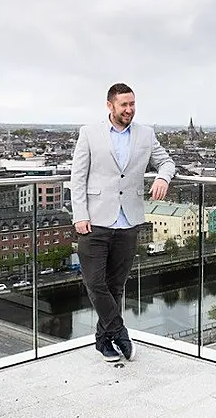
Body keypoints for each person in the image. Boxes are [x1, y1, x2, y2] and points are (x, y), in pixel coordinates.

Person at [70, 83, 176, 362]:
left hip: (128, 221)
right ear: (110, 106)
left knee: (116, 286)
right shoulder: (89, 133)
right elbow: (77, 177)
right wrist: (80, 215)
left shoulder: (146, 134)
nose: (129, 110)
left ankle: (102, 341)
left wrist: (163, 177)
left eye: (132, 104)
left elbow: (167, 163)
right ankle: (119, 332)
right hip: (94, 221)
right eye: (123, 105)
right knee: (95, 283)